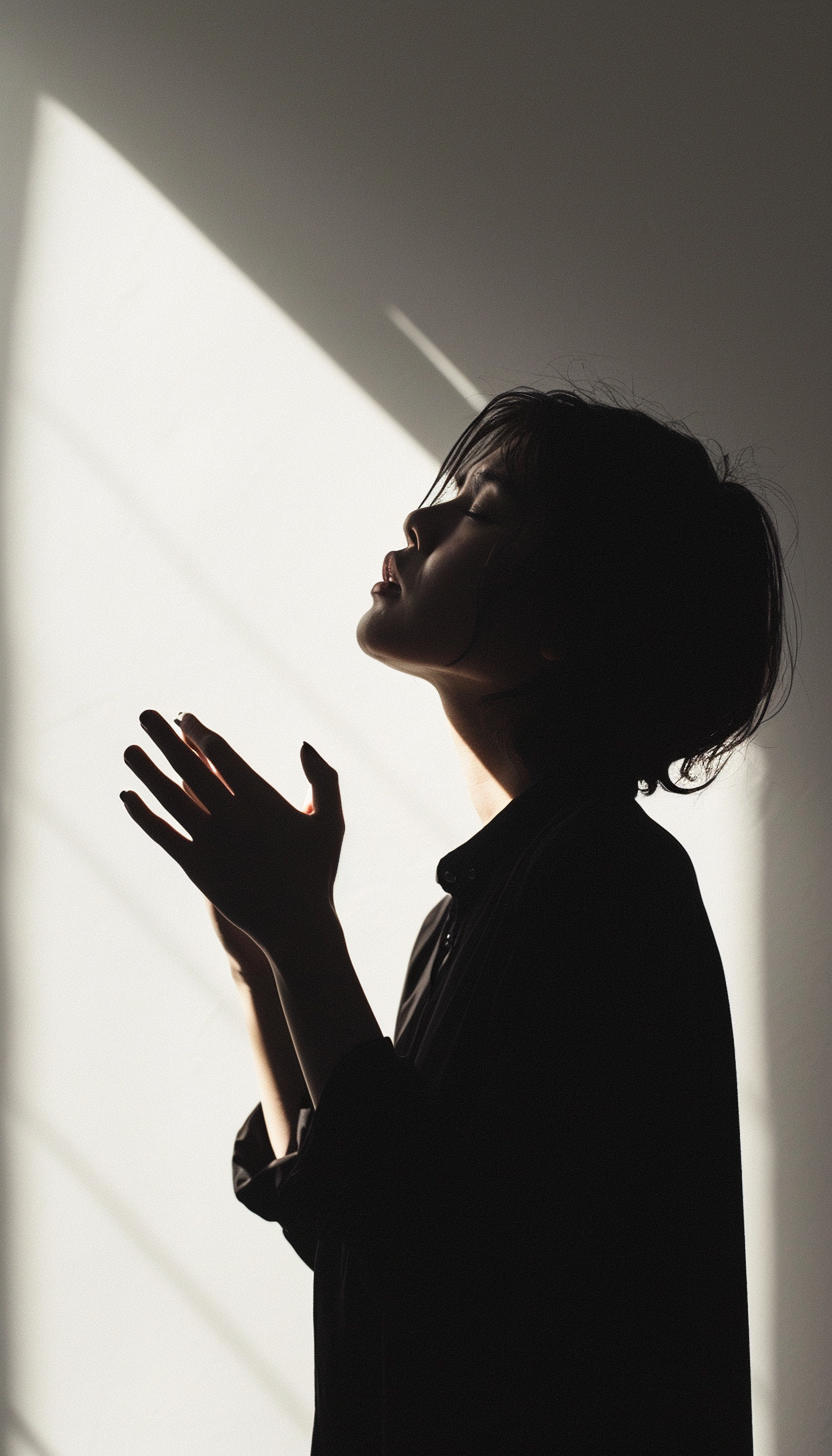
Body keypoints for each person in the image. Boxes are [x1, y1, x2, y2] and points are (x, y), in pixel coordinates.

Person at [121, 387, 793, 1454]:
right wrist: (266, 965)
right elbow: (359, 1229)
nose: (420, 524)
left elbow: (460, 1273)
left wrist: (304, 937)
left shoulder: (609, 882)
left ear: (573, 619)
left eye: (483, 511)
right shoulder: (495, 900)